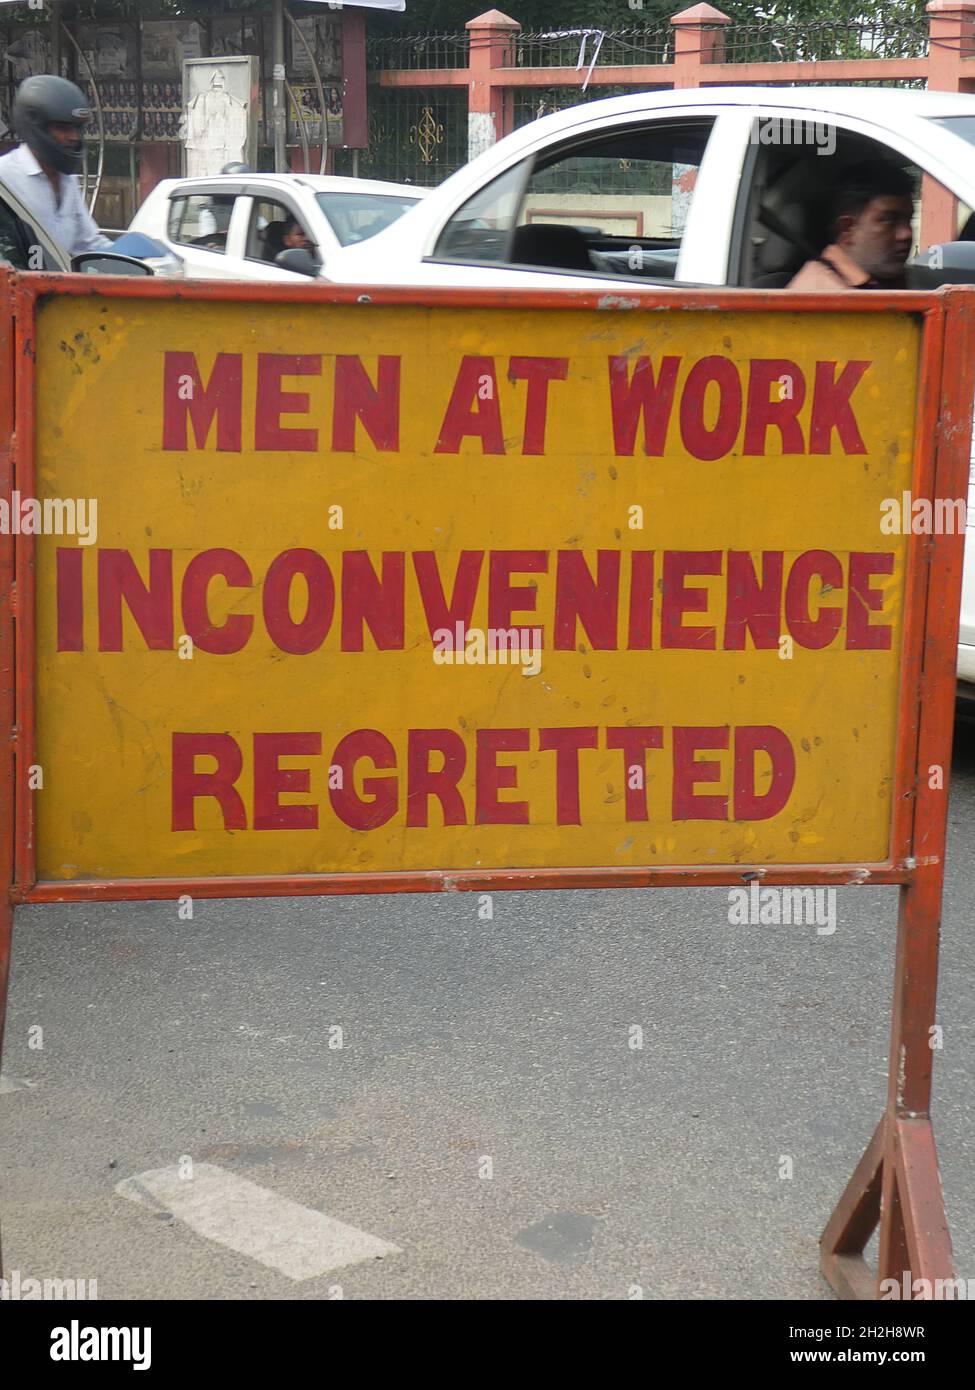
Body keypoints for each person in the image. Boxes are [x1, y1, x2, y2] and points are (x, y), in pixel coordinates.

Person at [0, 75, 111, 256]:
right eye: (62, 128)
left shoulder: (67, 181)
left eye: (76, 129)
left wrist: (138, 261)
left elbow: (88, 243)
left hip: (56, 282)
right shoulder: (5, 177)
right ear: (36, 125)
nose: (73, 137)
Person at [787, 161, 915, 291]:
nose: (907, 233)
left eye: (909, 219)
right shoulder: (822, 295)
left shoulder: (888, 280)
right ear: (848, 228)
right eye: (889, 220)